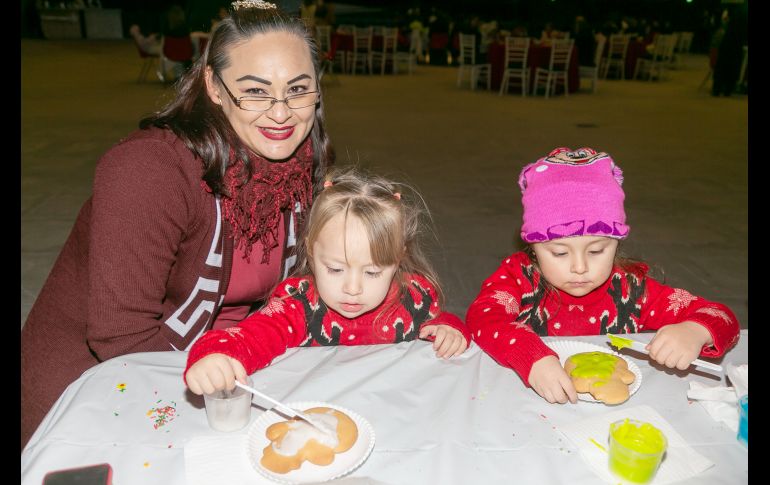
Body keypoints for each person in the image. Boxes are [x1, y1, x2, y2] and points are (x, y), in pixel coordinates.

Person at [21, 1, 335, 449]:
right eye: (255, 91)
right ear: (214, 86)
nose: (281, 113)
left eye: (298, 89)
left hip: (227, 369)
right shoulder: (149, 171)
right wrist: (220, 381)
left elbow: (310, 288)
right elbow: (121, 336)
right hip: (95, 391)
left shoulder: (302, 167)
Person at [465, 147, 740, 405]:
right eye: (560, 253)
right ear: (534, 249)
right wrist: (530, 356)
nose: (580, 267)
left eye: (596, 250)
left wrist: (696, 330)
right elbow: (482, 318)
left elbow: (723, 317)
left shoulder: (632, 289)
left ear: (616, 244)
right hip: (525, 405)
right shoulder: (517, 278)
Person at [184, 166, 471, 395]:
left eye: (372, 273)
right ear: (310, 249)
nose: (353, 288)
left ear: (398, 258)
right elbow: (250, 336)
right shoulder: (296, 305)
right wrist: (214, 356)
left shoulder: (415, 298)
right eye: (335, 269)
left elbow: (439, 323)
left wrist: (450, 330)